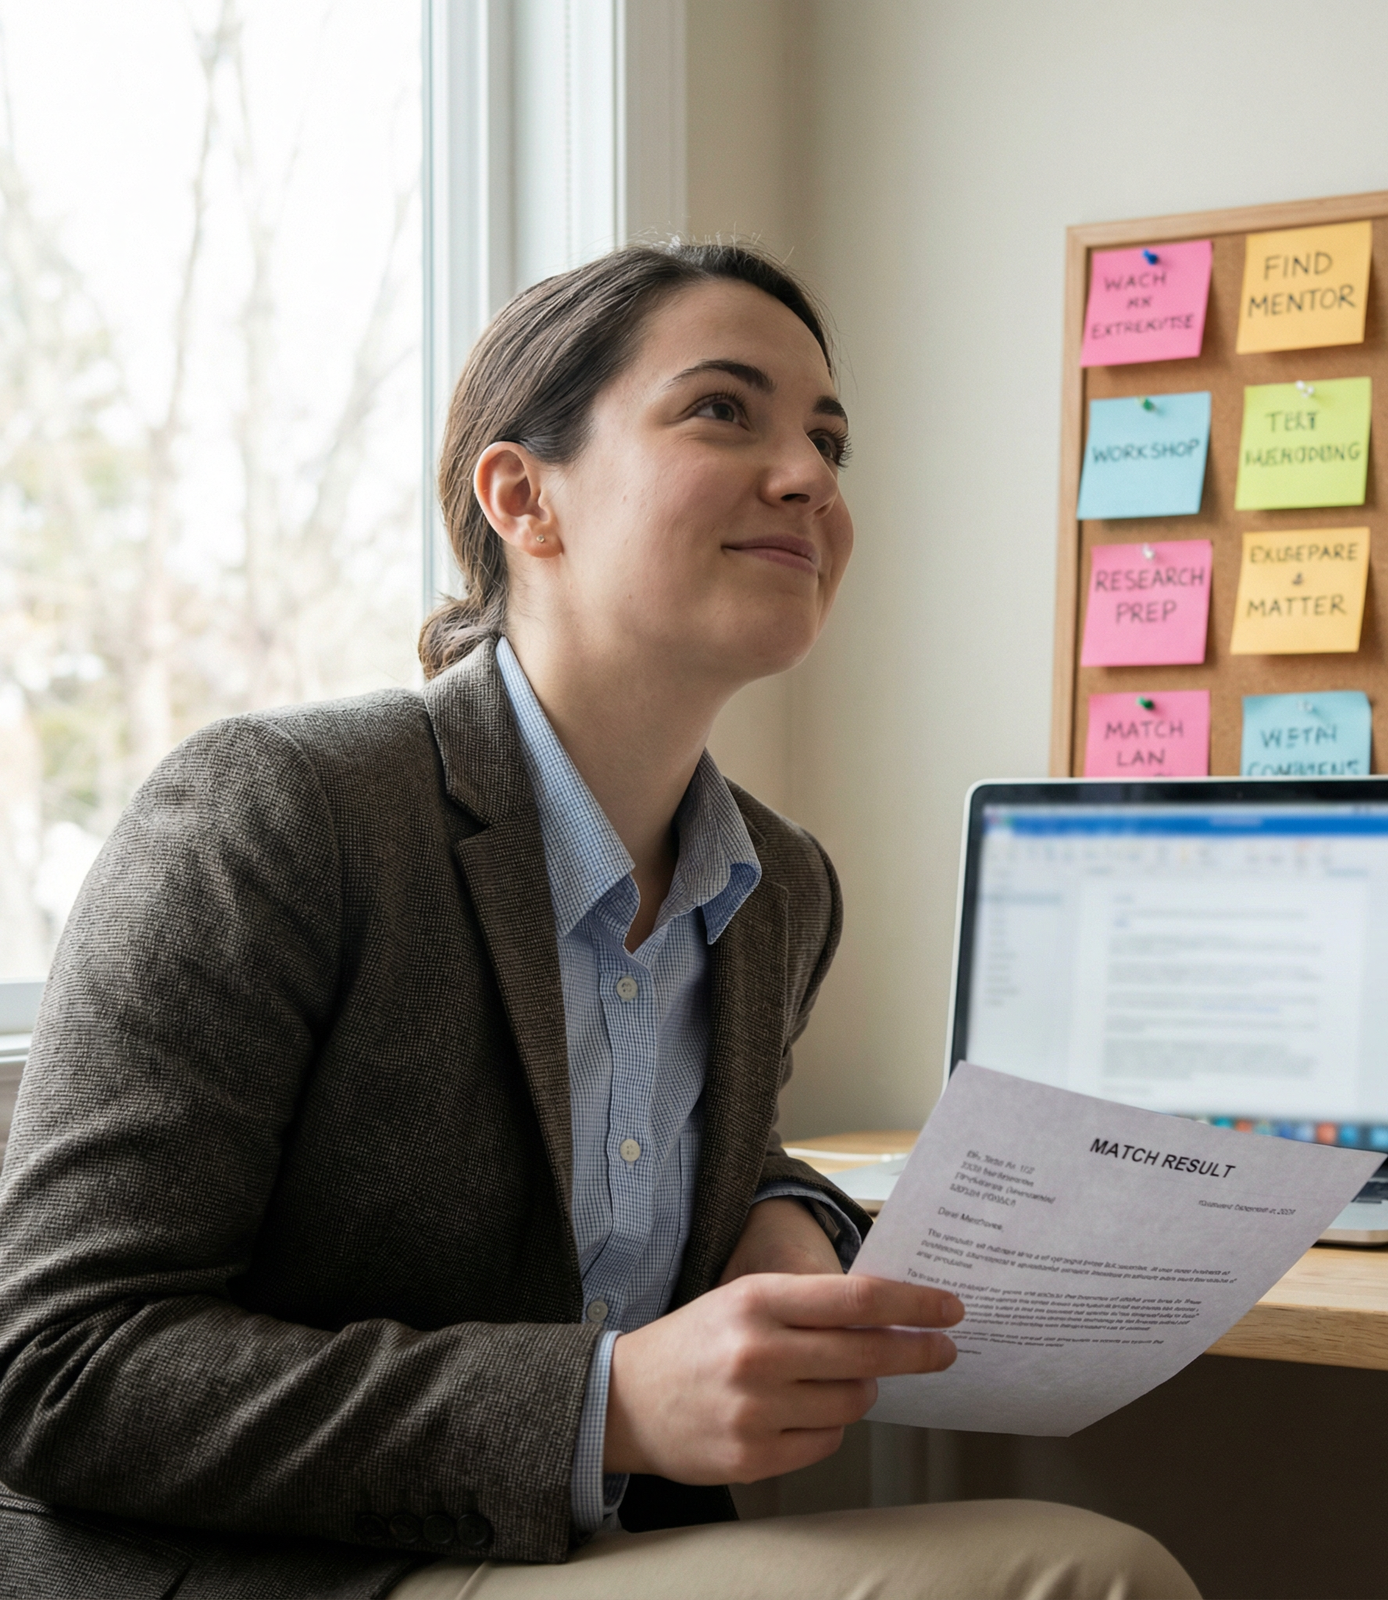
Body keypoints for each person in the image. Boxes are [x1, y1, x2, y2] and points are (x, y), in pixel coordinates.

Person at [0, 242, 1198, 1600]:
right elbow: (60, 1369)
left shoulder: (781, 888)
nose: (808, 474)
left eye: (828, 436)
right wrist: (605, 1404)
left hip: (599, 1552)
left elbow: (663, 1160)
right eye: (721, 410)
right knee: (1085, 1576)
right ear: (523, 497)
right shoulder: (279, 812)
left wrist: (795, 1217)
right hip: (282, 1573)